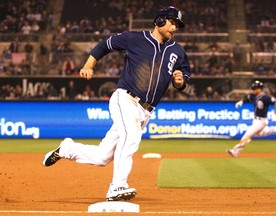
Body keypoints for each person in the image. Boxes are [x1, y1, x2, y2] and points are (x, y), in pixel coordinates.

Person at [42, 6, 190, 201]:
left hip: (146, 111)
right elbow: (104, 46)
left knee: (103, 157)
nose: (175, 27)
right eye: (172, 22)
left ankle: (67, 149)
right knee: (131, 137)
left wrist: (180, 82)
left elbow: (183, 74)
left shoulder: (177, 51)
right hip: (126, 98)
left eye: (178, 25)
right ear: (160, 21)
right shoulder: (135, 38)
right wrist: (88, 65)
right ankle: (117, 186)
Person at [227, 80, 276, 157]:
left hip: (261, 121)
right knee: (259, 134)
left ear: (260, 88)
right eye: (253, 88)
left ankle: (235, 151)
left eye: (255, 88)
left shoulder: (266, 98)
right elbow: (246, 98)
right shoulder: (253, 96)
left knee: (247, 136)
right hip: (255, 120)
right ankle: (275, 129)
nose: (253, 90)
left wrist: (275, 114)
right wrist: (241, 102)